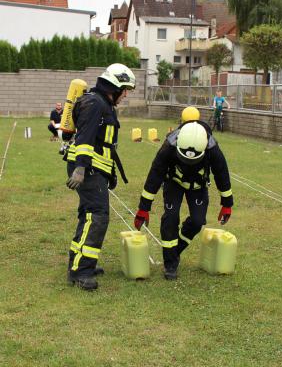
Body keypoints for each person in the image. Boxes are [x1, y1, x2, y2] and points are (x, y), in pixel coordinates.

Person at [65, 63, 136, 291]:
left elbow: (105, 145)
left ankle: (79, 263)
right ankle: (81, 271)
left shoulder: (103, 103)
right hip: (87, 168)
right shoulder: (94, 103)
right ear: (114, 86)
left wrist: (110, 173)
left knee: (89, 216)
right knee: (97, 216)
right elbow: (85, 137)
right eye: (124, 89)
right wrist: (80, 168)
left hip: (95, 168)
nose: (125, 94)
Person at [134, 120, 233, 280]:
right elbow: (155, 175)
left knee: (197, 221)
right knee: (171, 218)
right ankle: (170, 264)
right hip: (174, 182)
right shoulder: (168, 146)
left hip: (198, 185)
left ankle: (175, 250)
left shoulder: (212, 148)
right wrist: (143, 208)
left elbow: (222, 173)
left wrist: (227, 204)